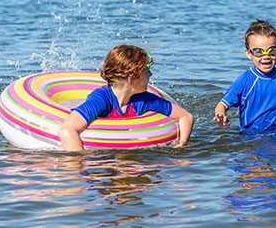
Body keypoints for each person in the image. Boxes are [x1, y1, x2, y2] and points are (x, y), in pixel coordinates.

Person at [59, 45, 194, 152]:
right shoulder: (101, 99)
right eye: (147, 73)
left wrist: (181, 145)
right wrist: (80, 161)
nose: (150, 75)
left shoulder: (143, 99)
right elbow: (67, 129)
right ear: (131, 79)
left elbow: (185, 117)